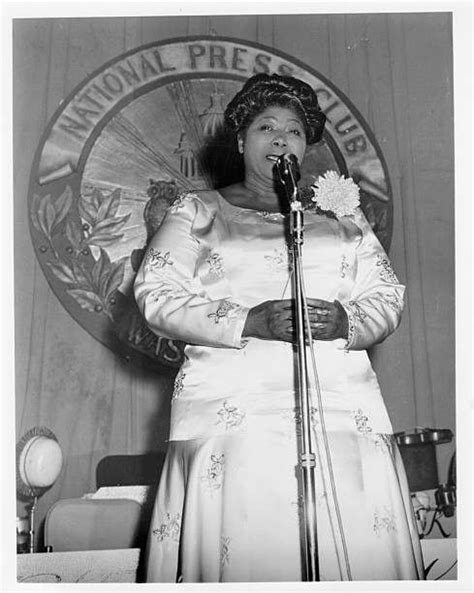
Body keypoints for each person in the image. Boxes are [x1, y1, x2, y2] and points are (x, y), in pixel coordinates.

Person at [134, 73, 424, 582]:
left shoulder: (342, 217)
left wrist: (347, 321)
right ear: (241, 139)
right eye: (266, 126)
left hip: (339, 414)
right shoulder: (198, 211)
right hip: (235, 418)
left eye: (293, 130)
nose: (280, 139)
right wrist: (248, 319)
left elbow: (387, 295)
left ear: (307, 143)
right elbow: (155, 296)